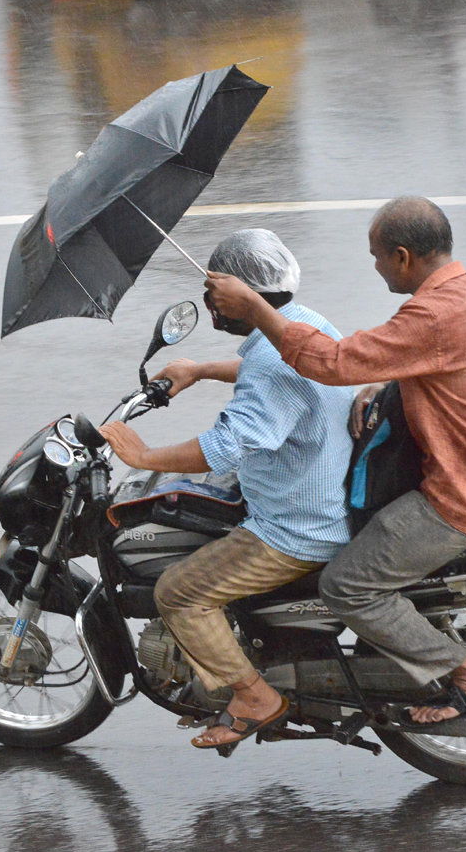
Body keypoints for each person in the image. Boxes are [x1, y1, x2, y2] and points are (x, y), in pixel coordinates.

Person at [203, 197, 466, 726]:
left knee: (347, 585)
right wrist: (389, 381)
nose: (375, 266)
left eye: (376, 256)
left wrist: (255, 309)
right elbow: (444, 364)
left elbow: (330, 362)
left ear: (404, 257)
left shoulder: (431, 315)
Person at [99, 229, 353, 749]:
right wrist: (200, 370)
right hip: (318, 492)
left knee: (179, 593)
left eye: (213, 289)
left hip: (295, 526)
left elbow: (226, 446)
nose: (209, 300)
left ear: (241, 297)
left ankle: (255, 696)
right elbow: (269, 363)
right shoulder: (304, 324)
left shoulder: (270, 368)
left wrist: (142, 456)